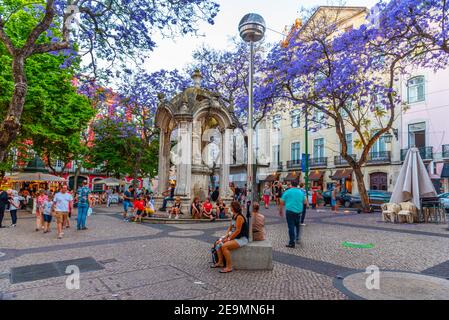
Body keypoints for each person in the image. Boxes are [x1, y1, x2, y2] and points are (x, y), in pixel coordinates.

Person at [212, 201, 249, 273]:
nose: (230, 208)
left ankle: (229, 267)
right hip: (234, 237)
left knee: (224, 246)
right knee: (218, 243)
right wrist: (225, 236)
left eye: (231, 207)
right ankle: (220, 262)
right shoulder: (234, 216)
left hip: (241, 238)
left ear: (234, 208)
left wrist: (228, 239)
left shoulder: (239, 217)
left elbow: (237, 231)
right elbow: (230, 227)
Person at [279, 180, 306, 248]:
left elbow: (281, 201)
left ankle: (292, 242)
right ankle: (297, 238)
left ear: (291, 185)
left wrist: (281, 210)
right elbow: (305, 202)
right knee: (297, 225)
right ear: (297, 185)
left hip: (290, 211)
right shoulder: (301, 192)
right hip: (298, 212)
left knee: (291, 227)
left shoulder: (287, 191)